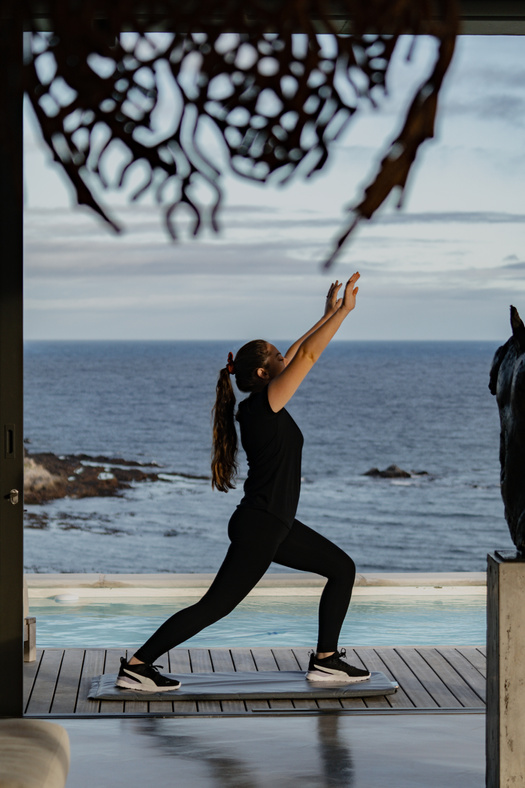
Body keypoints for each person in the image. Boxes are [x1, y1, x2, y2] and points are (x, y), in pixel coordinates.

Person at [116, 273, 370, 691]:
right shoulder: (264, 407)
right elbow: (307, 355)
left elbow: (297, 352)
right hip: (262, 526)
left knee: (342, 569)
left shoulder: (259, 405)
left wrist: (327, 314)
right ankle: (137, 665)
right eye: (277, 356)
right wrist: (343, 313)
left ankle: (326, 660)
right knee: (215, 606)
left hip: (271, 523)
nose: (285, 356)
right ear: (263, 372)